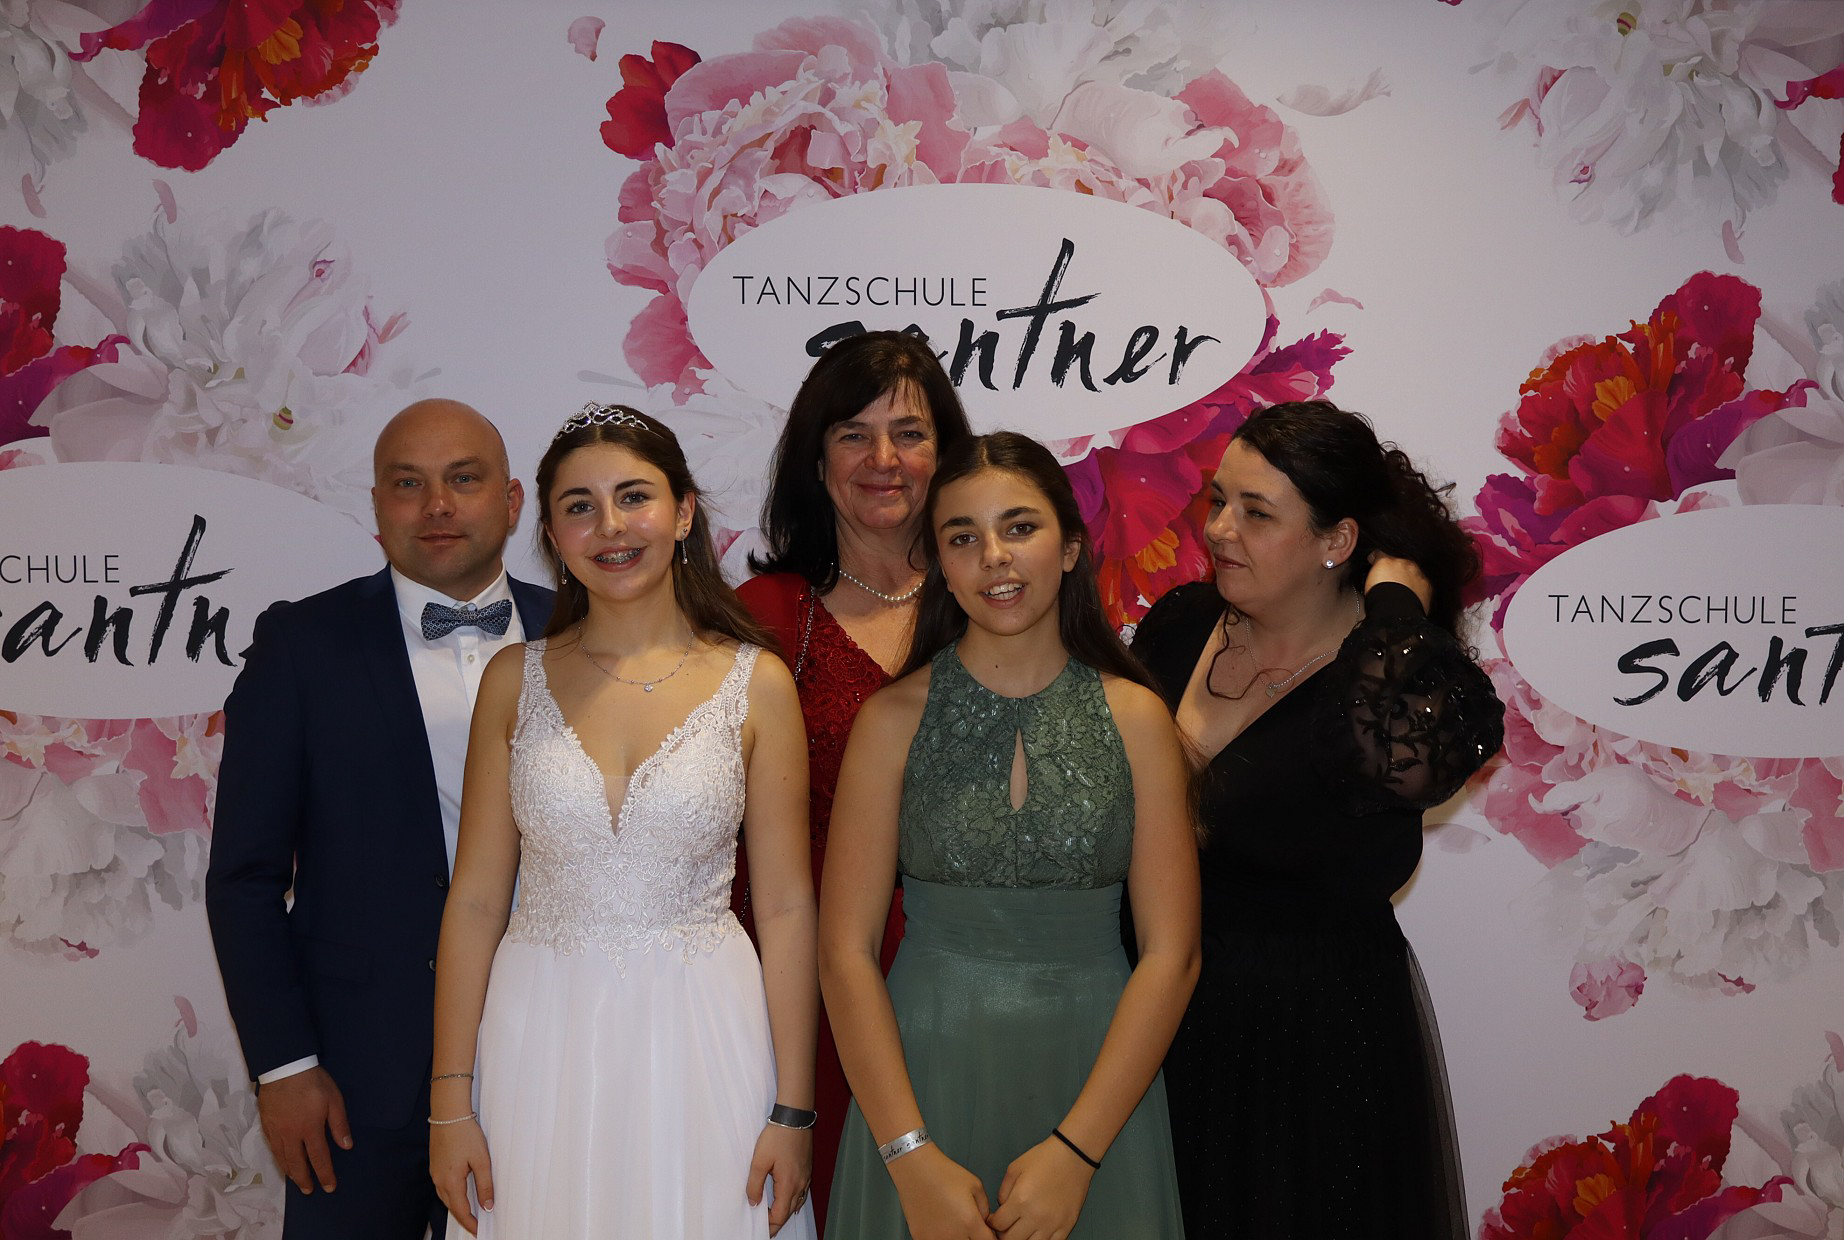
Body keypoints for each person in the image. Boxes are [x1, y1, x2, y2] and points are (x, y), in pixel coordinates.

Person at [429, 403, 818, 1239]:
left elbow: (787, 909)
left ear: (682, 513)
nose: (610, 525)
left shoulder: (757, 683)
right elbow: (475, 903)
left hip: (705, 1034)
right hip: (537, 1036)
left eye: (634, 496)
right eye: (580, 505)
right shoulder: (512, 679)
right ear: (552, 533)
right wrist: (450, 1102)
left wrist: (793, 1109)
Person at [1128, 399, 1506, 1239]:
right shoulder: (1181, 623)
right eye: (1218, 500)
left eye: (1256, 513)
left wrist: (1396, 607)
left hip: (1304, 1050)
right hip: (1150, 1014)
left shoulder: (1388, 689)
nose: (1219, 529)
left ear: (1338, 540)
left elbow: (1418, 762)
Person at [821, 432, 1199, 1240]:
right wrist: (908, 1154)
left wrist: (1077, 1152)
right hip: (920, 1091)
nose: (994, 557)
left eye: (1019, 527)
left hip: (1100, 1097)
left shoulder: (1139, 718)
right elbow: (844, 953)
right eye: (963, 537)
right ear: (940, 564)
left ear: (1070, 547)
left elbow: (1174, 955)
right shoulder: (889, 721)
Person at [206, 399, 553, 1238]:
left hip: (550, 1053)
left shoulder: (585, 632)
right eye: (408, 484)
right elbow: (245, 877)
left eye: (463, 479)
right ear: (376, 505)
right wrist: (284, 1066)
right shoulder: (302, 646)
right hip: (356, 1082)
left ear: (511, 502)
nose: (437, 505)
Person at [734, 329, 973, 1229]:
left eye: (910, 434)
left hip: (977, 977)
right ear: (816, 457)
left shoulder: (994, 602)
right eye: (854, 435)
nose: (884, 460)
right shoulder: (765, 621)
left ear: (946, 454)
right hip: (813, 991)